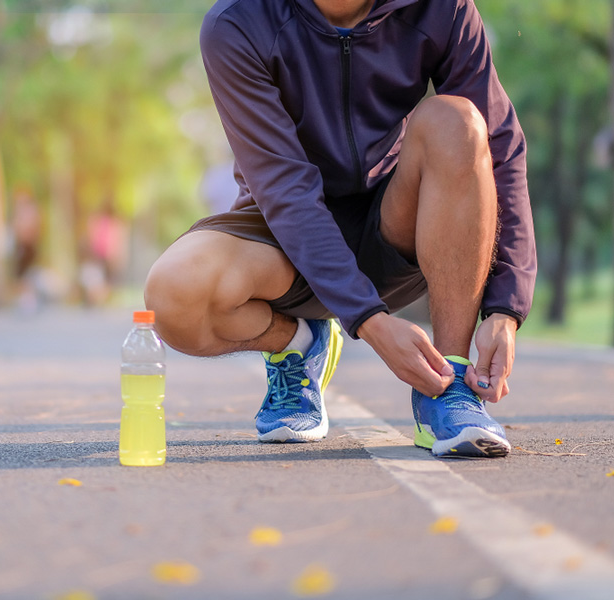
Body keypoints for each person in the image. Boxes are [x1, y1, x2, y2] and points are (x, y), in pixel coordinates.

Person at [144, 0, 536, 458]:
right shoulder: (237, 23)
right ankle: (297, 344)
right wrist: (367, 321)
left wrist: (505, 309)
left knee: (460, 123)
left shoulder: (442, 8)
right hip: (285, 235)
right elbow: (287, 191)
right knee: (173, 294)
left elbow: (500, 148)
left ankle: (447, 386)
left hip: (396, 222)